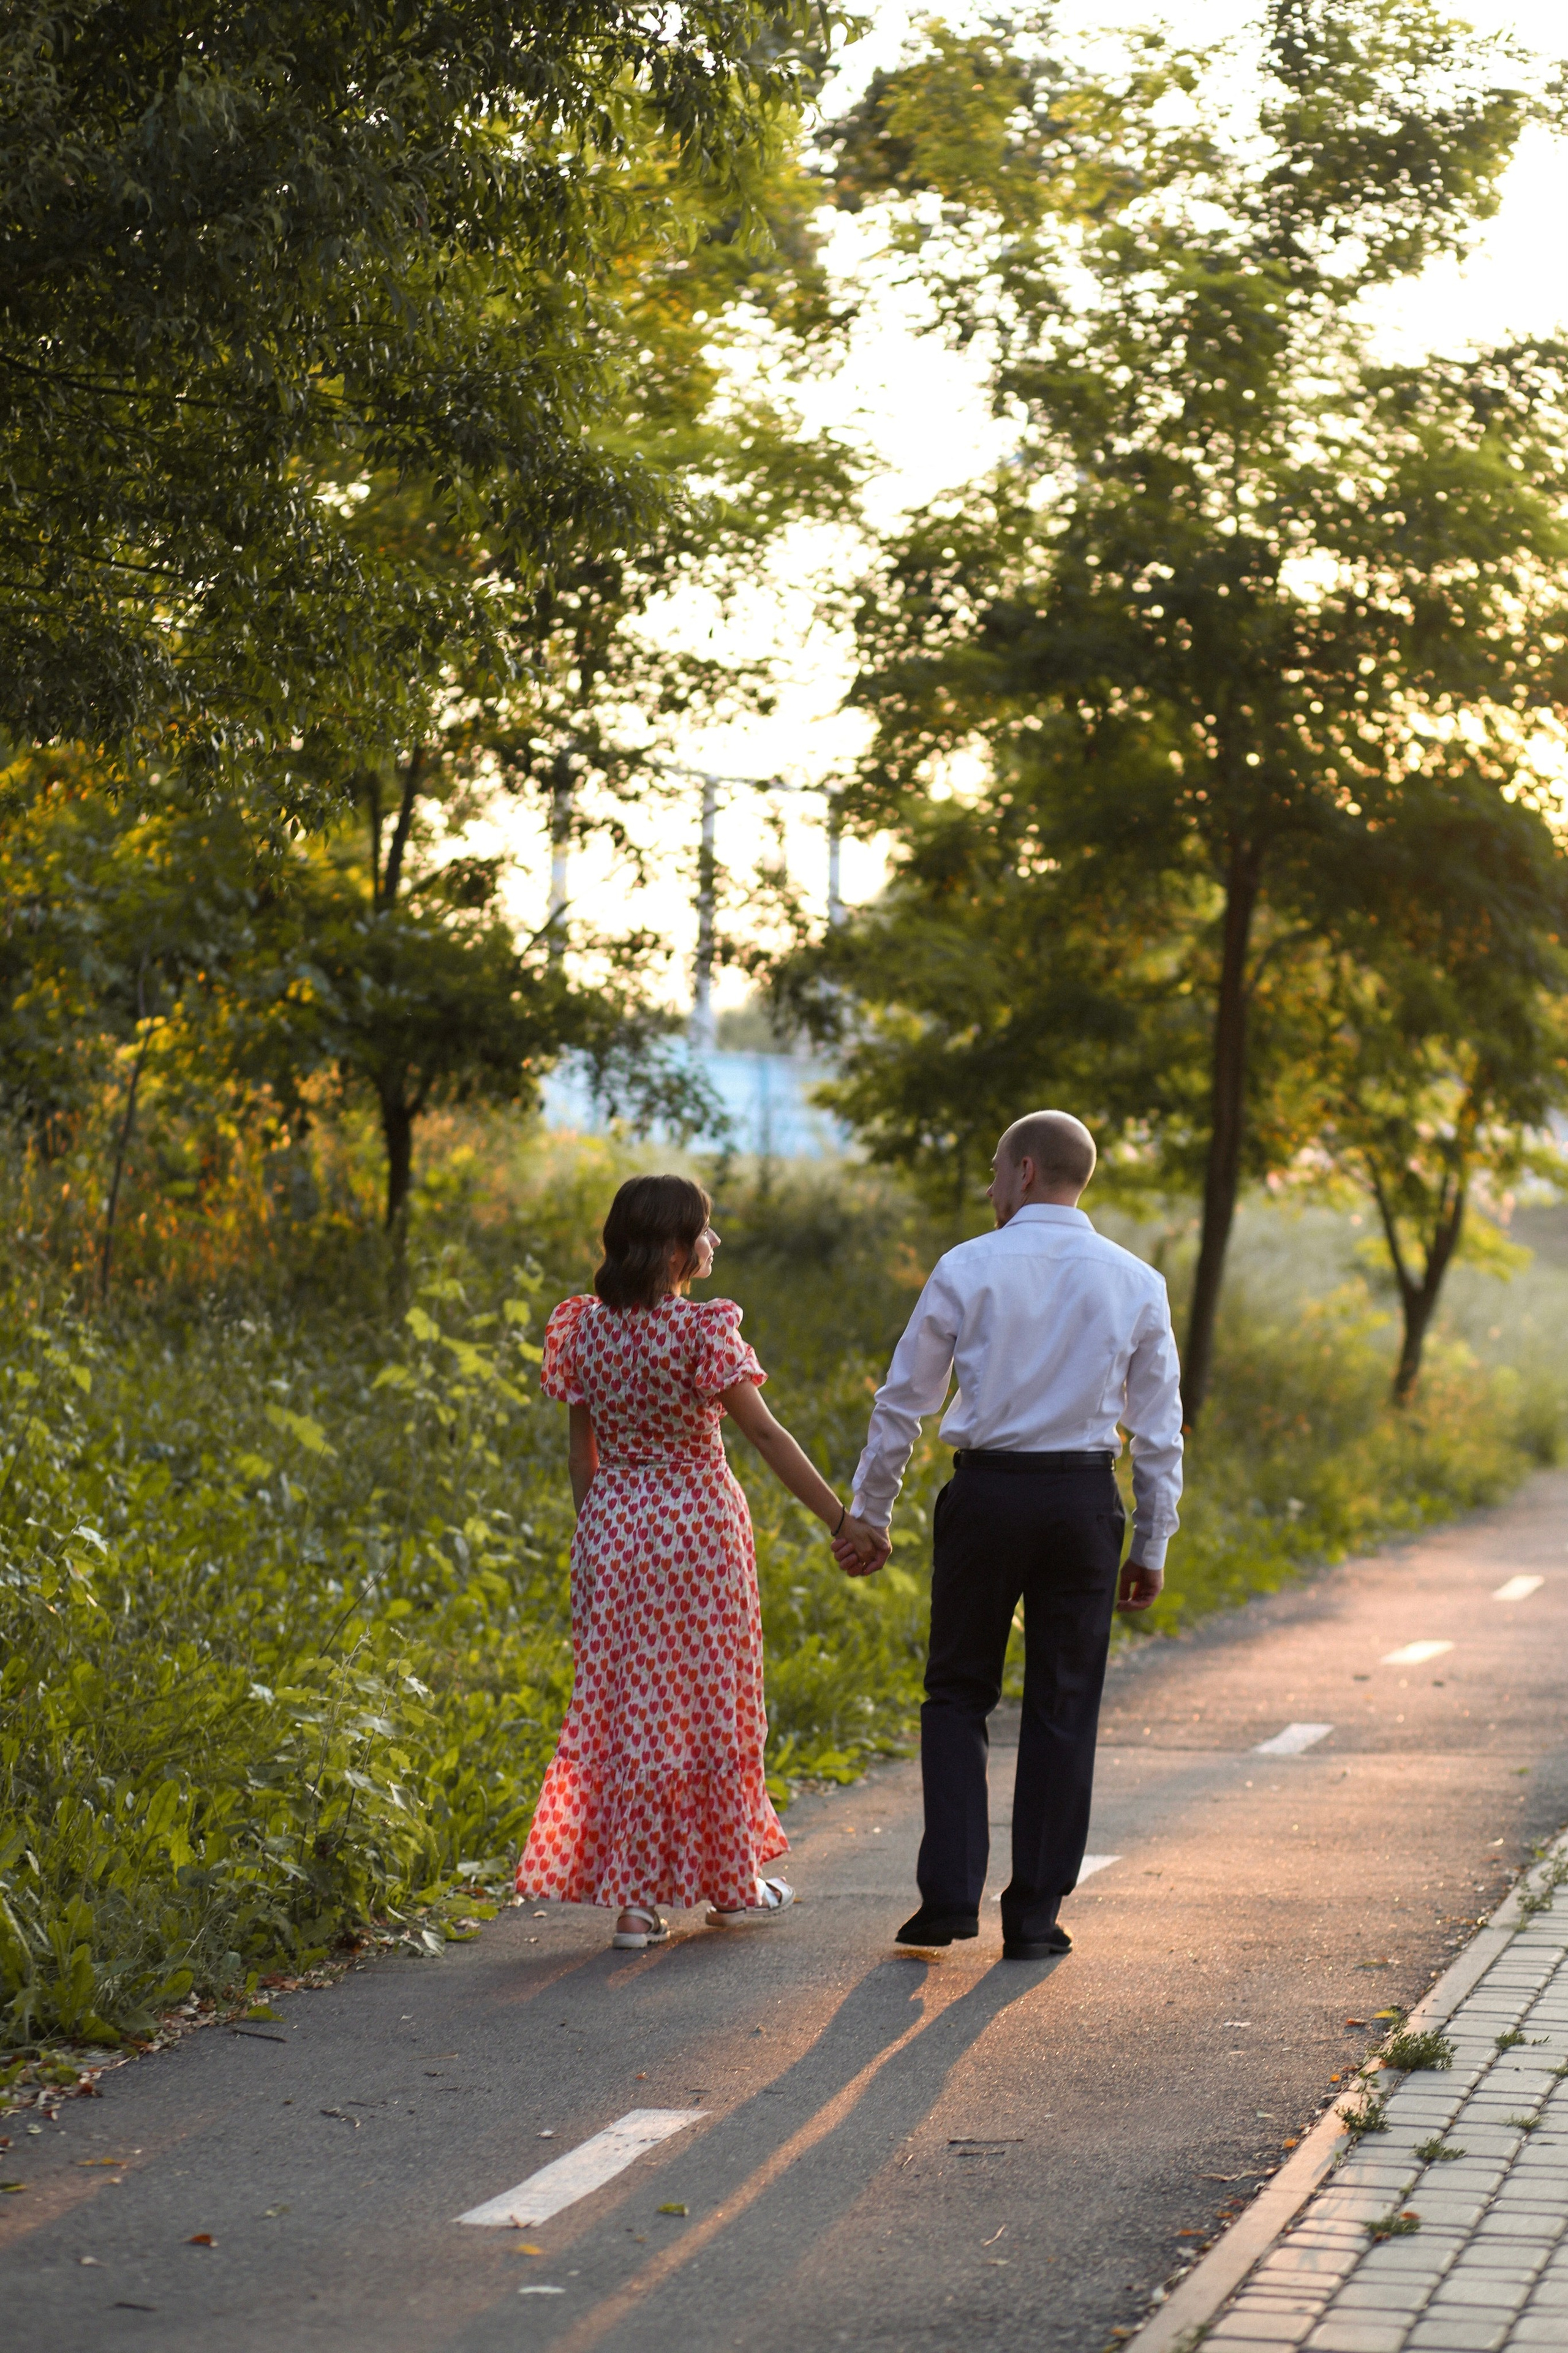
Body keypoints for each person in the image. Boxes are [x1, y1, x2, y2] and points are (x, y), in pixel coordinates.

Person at [834, 1110, 1183, 1960]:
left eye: (996, 1168)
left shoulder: (968, 1266)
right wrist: (1152, 1541)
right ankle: (1035, 1917)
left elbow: (903, 1402)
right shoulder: (1136, 1279)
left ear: (1025, 1171)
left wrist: (869, 1513)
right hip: (1082, 1505)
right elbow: (1161, 1427)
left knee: (957, 1693)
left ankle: (949, 1898)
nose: (991, 1185)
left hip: (988, 1498)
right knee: (1065, 1704)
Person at [517, 1173, 885, 1949]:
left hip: (614, 1530)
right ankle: (730, 1882)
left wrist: (603, 1534)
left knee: (629, 1709)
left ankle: (635, 1905)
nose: (714, 1243)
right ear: (679, 1248)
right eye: (706, 1232)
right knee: (710, 1701)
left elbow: (581, 1458)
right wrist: (842, 1519)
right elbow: (766, 1436)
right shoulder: (703, 1331)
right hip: (697, 1533)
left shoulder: (582, 1329)